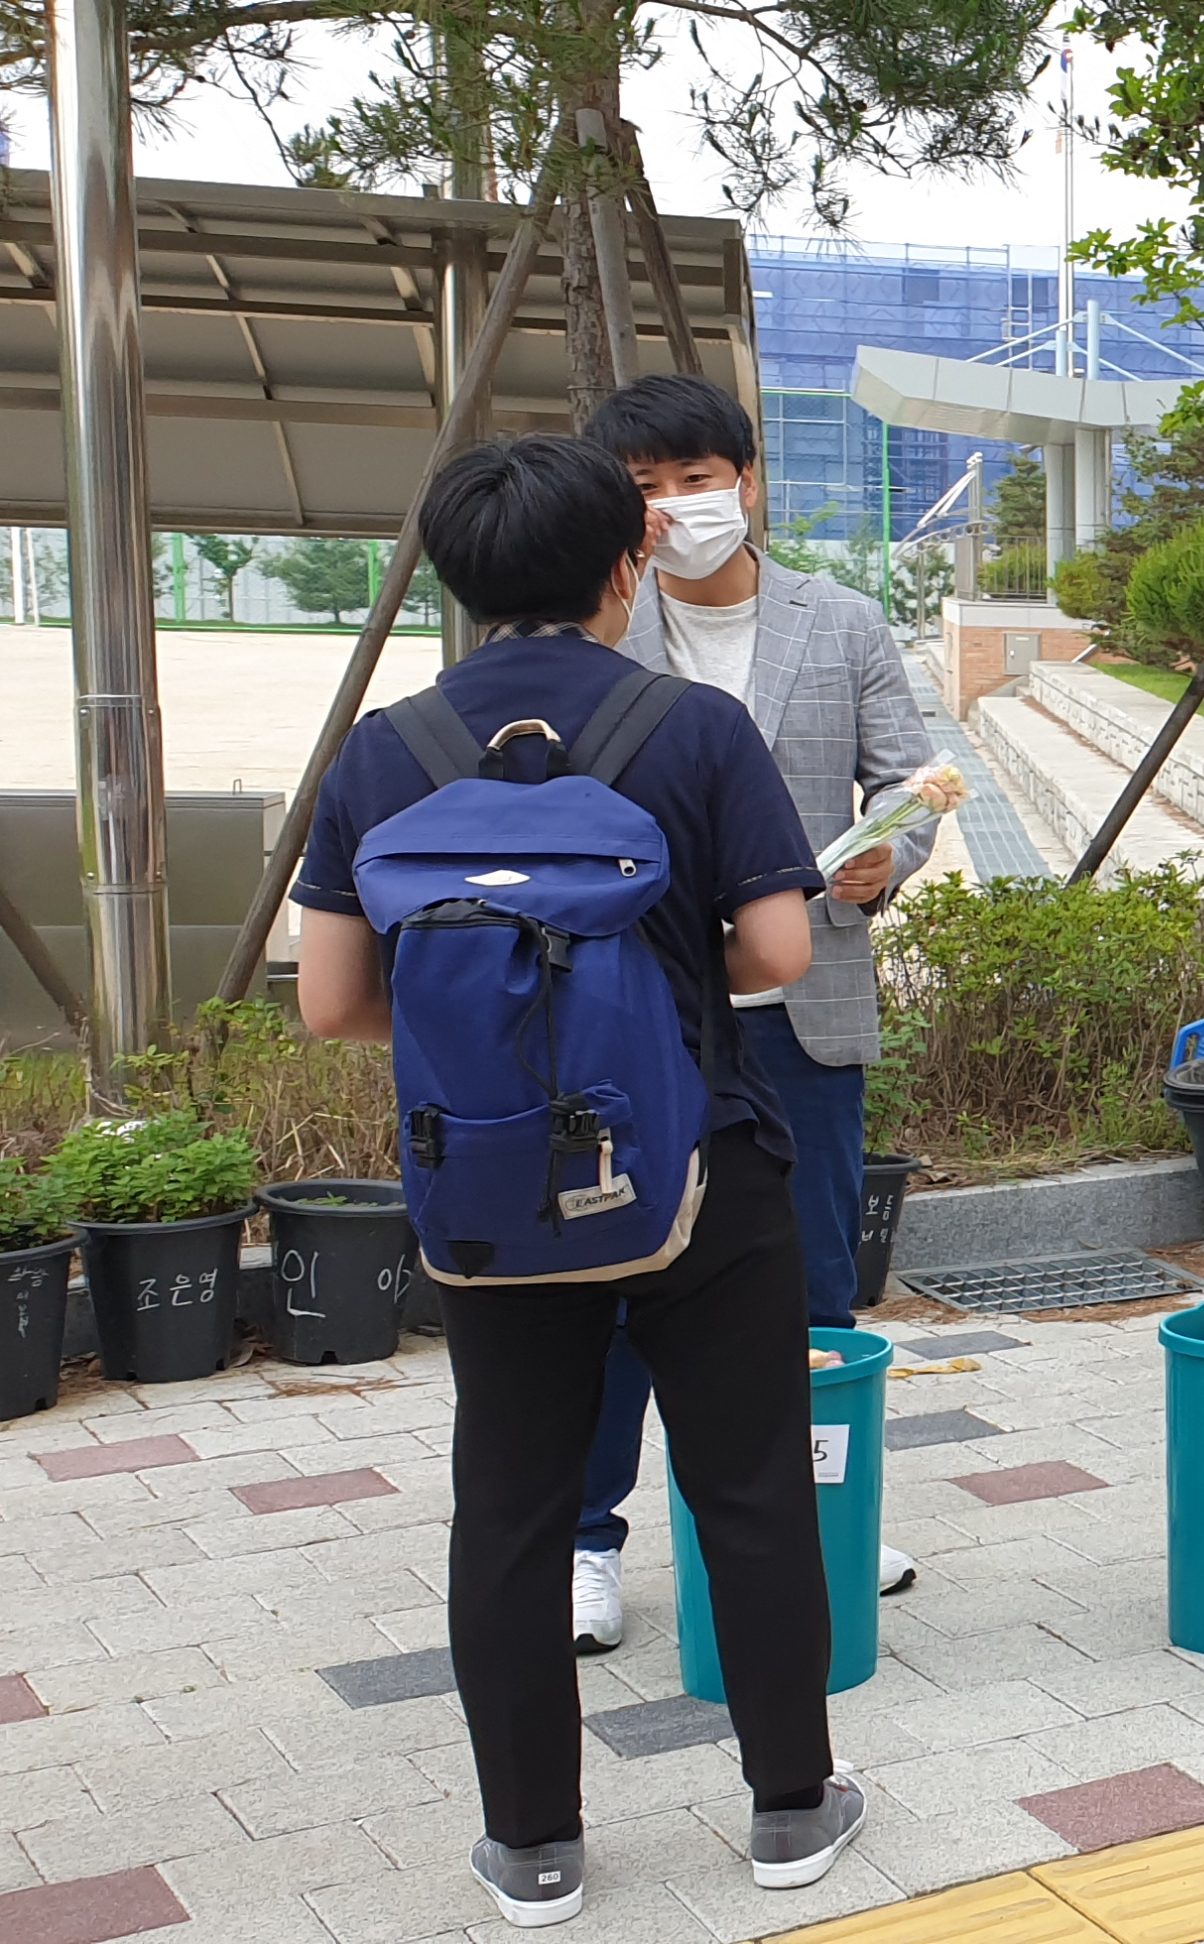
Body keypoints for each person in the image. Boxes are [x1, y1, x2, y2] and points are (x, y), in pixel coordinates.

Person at [291, 434, 862, 1926]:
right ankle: (793, 1812)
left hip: (493, 1193)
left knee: (514, 1511)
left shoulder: (387, 748)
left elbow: (336, 1003)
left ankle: (534, 1846)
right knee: (747, 1492)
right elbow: (780, 956)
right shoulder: (692, 730)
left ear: (458, 581)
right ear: (627, 568)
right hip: (698, 1170)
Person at [569, 372, 938, 1654]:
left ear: (748, 480)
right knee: (614, 1273)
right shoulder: (595, 636)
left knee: (815, 1275)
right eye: (647, 492)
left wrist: (897, 854)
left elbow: (910, 783)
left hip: (807, 993)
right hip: (639, 1008)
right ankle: (587, 1541)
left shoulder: (840, 622)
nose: (678, 510)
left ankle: (820, 1514)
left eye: (698, 479)